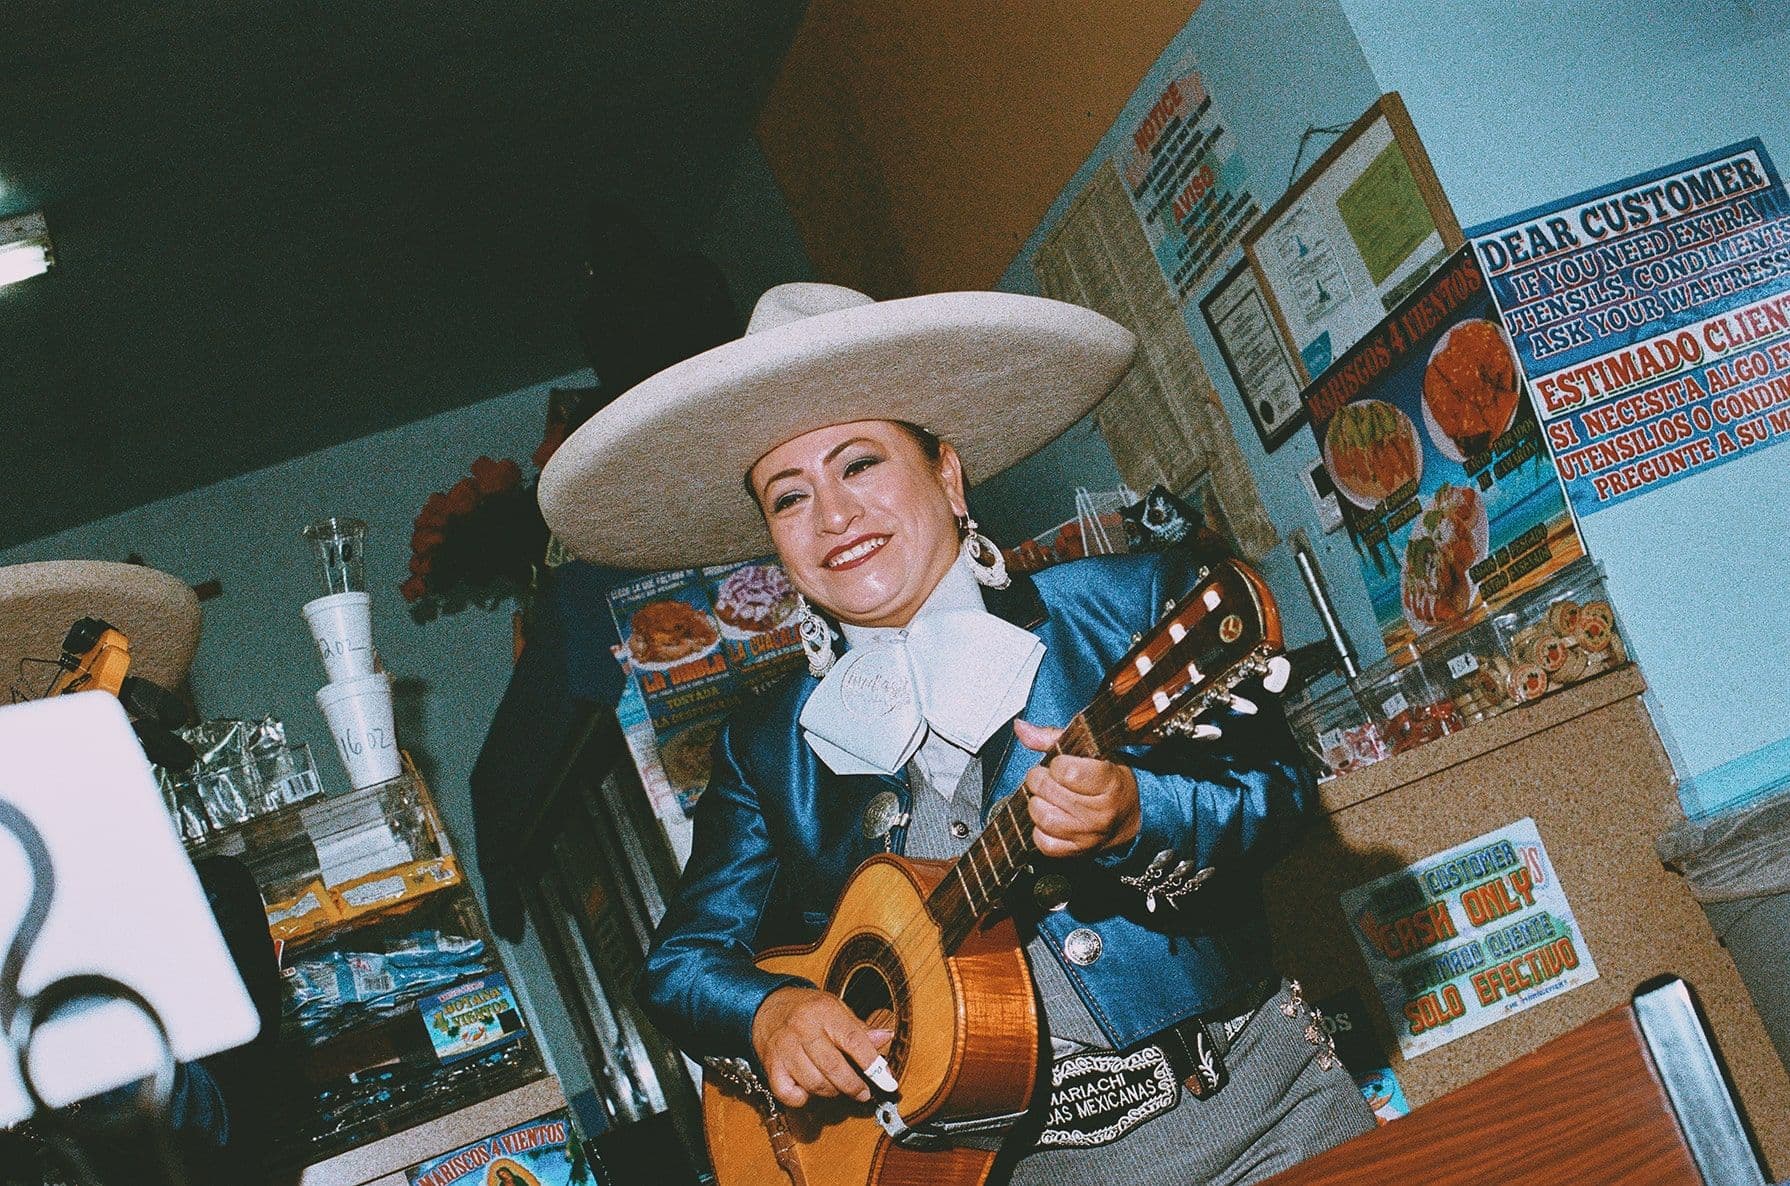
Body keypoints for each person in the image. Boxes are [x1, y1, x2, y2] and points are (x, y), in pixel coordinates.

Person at [537, 284, 1374, 1184]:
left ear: (947, 474)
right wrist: (770, 1012)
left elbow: (1281, 795)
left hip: (1265, 1124)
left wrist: (1138, 812)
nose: (832, 518)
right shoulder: (766, 746)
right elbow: (681, 963)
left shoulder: (1128, 602)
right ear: (774, 544)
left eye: (858, 465)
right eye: (789, 498)